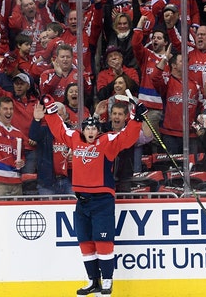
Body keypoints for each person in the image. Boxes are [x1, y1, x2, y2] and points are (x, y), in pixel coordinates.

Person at [41, 94, 146, 297]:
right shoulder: (75, 140)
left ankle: (107, 281)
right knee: (85, 242)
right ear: (83, 130)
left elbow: (126, 138)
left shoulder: (107, 142)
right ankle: (92, 281)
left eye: (93, 128)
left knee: (103, 242)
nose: (90, 131)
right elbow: (59, 130)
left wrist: (137, 120)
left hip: (102, 201)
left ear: (98, 130)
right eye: (87, 128)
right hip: (81, 201)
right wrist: (49, 110)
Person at [0, 92, 28, 196]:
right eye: (5, 109)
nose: (9, 111)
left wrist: (22, 162)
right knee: (0, 212)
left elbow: (21, 156)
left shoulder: (18, 133)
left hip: (16, 181)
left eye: (11, 109)